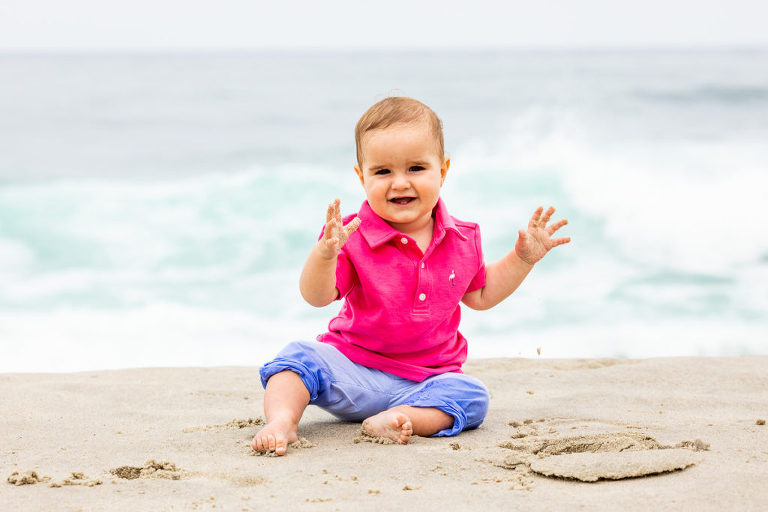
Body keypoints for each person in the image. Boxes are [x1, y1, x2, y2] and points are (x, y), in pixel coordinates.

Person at [252, 97, 570, 455]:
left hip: (427, 382)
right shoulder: (350, 235)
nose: (399, 183)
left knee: (472, 397)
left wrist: (522, 259)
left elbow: (482, 295)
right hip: (354, 369)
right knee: (296, 359)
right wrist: (325, 254)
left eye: (416, 168)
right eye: (383, 172)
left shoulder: (463, 238)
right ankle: (281, 421)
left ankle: (402, 417)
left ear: (443, 171)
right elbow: (316, 296)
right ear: (362, 177)